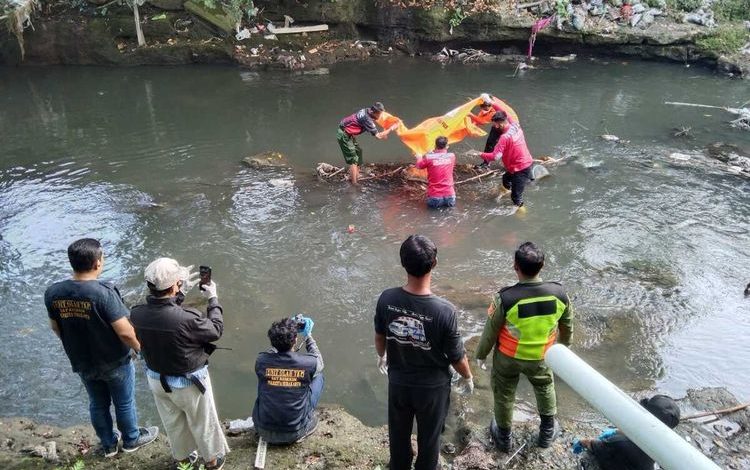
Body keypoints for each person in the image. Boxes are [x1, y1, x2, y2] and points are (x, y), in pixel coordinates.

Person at [44, 238, 158, 458]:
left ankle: (108, 444)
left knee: (97, 403)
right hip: (114, 359)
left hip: (82, 360)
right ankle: (131, 440)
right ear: (97, 263)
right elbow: (124, 331)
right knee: (123, 402)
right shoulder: (103, 292)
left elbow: (56, 328)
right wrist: (142, 351)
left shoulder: (53, 292)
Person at [375, 235, 473, 470]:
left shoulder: (387, 299)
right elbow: (456, 356)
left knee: (398, 433)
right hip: (432, 388)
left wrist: (382, 355)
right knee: (429, 438)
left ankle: (399, 465)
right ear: (435, 263)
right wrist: (468, 377)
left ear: (402, 262)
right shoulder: (444, 311)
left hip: (398, 382)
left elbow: (380, 336)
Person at [130, 258, 229, 470]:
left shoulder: (136, 313)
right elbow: (216, 330)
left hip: (157, 379)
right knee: (203, 423)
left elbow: (163, 315)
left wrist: (177, 295)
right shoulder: (188, 318)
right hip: (188, 383)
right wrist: (213, 299)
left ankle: (183, 460)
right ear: (176, 285)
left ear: (150, 285)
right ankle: (212, 461)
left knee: (173, 422)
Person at [475, 242, 573, 452]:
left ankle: (504, 438)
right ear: (543, 265)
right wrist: (563, 352)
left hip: (507, 358)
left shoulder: (506, 298)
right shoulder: (559, 294)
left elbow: (490, 331)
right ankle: (547, 433)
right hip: (542, 357)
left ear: (515, 266)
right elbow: (567, 327)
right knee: (545, 387)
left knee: (503, 393)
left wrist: (480, 355)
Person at [252, 315, 325, 444]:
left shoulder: (261, 361)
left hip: (262, 430)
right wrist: (308, 336)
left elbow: (272, 352)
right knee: (319, 377)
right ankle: (304, 427)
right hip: (296, 432)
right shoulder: (309, 363)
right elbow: (320, 362)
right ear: (295, 340)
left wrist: (280, 339)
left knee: (265, 384)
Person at [575, 395, 681, 470]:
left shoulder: (617, 442)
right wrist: (619, 431)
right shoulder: (665, 450)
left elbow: (591, 444)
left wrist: (580, 442)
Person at [478, 111, 535, 210]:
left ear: (501, 123)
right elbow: (507, 112)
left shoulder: (504, 138)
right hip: (523, 163)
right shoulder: (515, 125)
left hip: (520, 168)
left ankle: (524, 217)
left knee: (516, 198)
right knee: (506, 179)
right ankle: (523, 184)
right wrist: (492, 103)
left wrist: (479, 154)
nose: (495, 127)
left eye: (495, 125)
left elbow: (495, 157)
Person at [337, 102, 391, 185]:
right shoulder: (367, 119)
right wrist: (391, 129)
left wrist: (385, 129)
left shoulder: (367, 111)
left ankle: (356, 174)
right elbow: (378, 136)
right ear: (374, 112)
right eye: (379, 114)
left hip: (349, 133)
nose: (380, 116)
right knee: (353, 159)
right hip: (344, 133)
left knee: (358, 151)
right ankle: (354, 183)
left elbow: (375, 124)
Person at [415, 136, 456, 209]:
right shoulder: (452, 156)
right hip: (450, 195)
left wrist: (419, 157)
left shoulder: (429, 157)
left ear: (435, 146)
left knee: (431, 218)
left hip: (435, 196)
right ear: (447, 146)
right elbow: (440, 157)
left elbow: (419, 166)